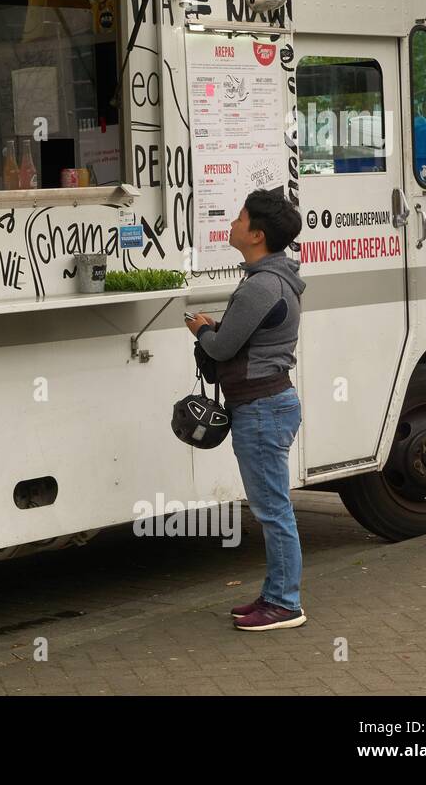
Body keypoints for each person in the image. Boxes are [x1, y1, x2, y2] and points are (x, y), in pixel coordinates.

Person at [185, 189, 308, 632]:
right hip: (266, 404)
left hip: (262, 408)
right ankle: (275, 594)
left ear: (257, 234)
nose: (233, 224)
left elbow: (223, 346)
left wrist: (202, 329)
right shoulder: (273, 278)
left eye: (239, 219)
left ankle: (285, 604)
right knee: (272, 507)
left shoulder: (262, 285)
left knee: (273, 509)